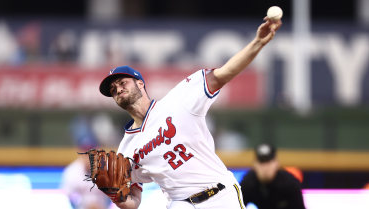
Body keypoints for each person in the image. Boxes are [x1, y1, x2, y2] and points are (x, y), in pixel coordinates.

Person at [97, 16, 282, 209]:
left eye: (122, 83)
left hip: (220, 195)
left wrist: (258, 43)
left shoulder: (179, 99)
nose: (117, 89)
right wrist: (115, 194)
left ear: (140, 83)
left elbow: (224, 73)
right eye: (112, 90)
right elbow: (133, 202)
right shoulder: (126, 149)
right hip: (181, 204)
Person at [240, 143, 306, 209]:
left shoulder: (290, 184)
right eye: (262, 163)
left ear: (276, 164)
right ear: (254, 165)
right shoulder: (247, 183)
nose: (265, 167)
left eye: (269, 163)